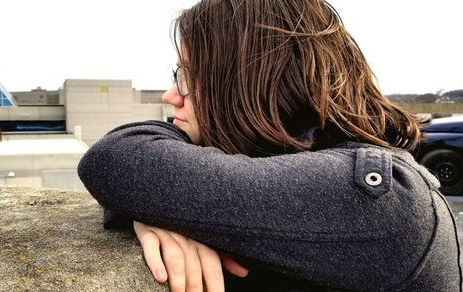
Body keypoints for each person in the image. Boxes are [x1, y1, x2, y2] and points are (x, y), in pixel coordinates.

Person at [78, 0, 462, 290]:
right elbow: (129, 166)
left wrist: (157, 197)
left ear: (253, 80)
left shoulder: (379, 199)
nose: (171, 96)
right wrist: (155, 208)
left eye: (190, 76)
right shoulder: (292, 167)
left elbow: (115, 159)